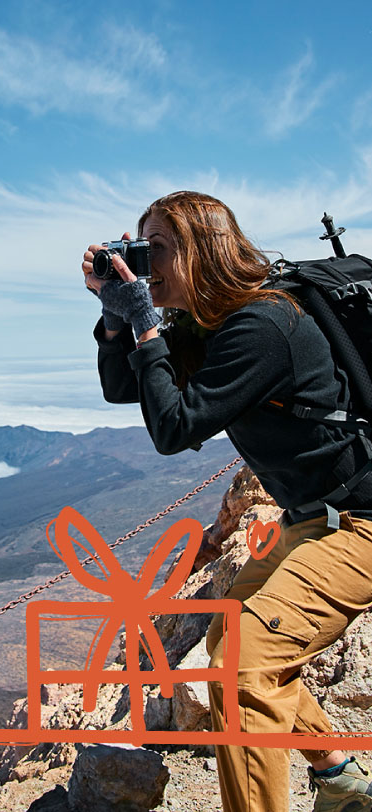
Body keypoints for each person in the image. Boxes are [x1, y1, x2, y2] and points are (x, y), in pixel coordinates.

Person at [82, 190, 372, 812]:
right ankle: (341, 777)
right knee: (227, 642)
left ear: (202, 250)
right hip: (311, 520)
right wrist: (116, 315)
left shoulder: (262, 323)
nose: (144, 262)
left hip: (361, 525)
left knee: (245, 662)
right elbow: (121, 389)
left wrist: (143, 322)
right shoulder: (208, 325)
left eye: (155, 248)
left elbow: (174, 429)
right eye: (138, 247)